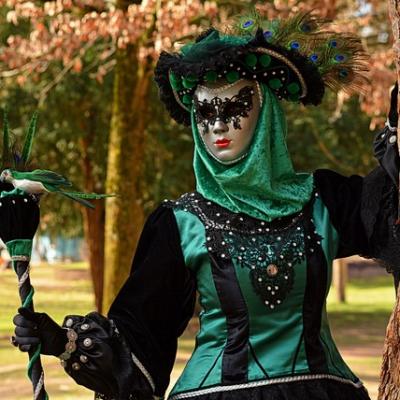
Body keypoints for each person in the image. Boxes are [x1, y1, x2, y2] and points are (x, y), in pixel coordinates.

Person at [6, 12, 400, 400]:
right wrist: (63, 340)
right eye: (205, 112)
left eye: (234, 107)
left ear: (265, 113)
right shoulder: (180, 226)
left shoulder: (323, 202)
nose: (217, 126)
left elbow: (388, 213)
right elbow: (143, 331)